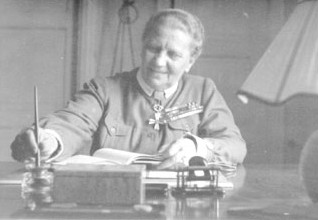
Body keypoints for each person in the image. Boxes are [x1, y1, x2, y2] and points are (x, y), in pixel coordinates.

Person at [10, 9, 246, 169]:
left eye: (173, 54)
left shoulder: (203, 91)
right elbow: (72, 122)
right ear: (143, 46)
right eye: (154, 48)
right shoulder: (103, 89)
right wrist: (50, 139)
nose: (159, 61)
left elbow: (234, 145)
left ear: (191, 60)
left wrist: (199, 147)